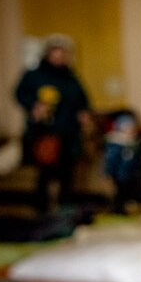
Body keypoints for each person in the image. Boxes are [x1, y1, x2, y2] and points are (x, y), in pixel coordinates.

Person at [15, 33, 92, 213]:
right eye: (55, 53)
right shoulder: (34, 75)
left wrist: (84, 113)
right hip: (45, 132)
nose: (59, 57)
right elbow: (19, 94)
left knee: (67, 173)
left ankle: (65, 209)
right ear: (47, 54)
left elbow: (83, 100)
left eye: (62, 53)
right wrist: (34, 106)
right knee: (46, 173)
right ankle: (41, 210)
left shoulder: (71, 77)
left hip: (69, 133)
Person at [103, 110, 141, 214]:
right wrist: (109, 173)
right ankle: (118, 208)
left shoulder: (135, 143)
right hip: (120, 174)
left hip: (133, 174)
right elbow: (111, 160)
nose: (130, 130)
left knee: (131, 192)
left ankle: (128, 207)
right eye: (127, 127)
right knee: (119, 193)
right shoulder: (116, 143)